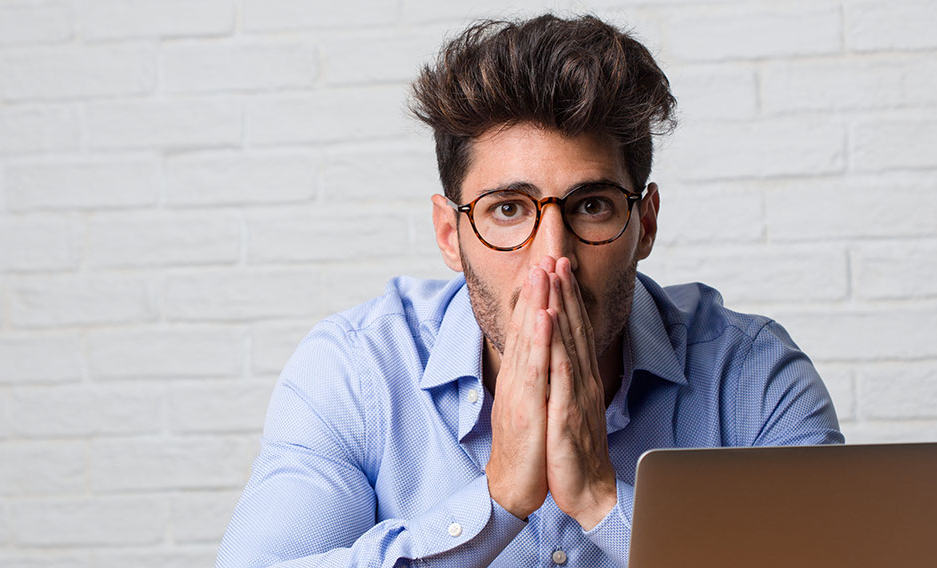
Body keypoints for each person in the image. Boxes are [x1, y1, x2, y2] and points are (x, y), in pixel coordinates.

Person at [216, 13, 842, 568]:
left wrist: (602, 500)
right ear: (449, 233)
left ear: (644, 223)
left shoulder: (752, 374)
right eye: (508, 209)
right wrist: (493, 507)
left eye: (591, 206)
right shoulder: (355, 371)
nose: (553, 258)